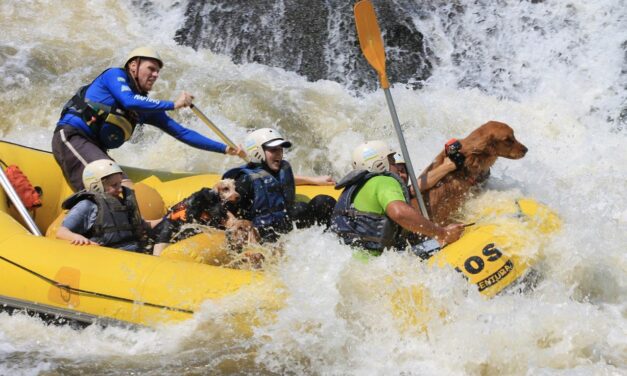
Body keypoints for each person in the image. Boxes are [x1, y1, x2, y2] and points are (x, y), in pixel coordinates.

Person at [52, 46, 244, 191]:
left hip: (95, 149)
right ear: (133, 65)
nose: (155, 75)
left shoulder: (145, 107)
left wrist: (226, 149)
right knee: (109, 185)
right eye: (151, 68)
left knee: (125, 188)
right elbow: (128, 101)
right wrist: (173, 104)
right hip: (72, 137)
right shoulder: (114, 75)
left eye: (158, 72)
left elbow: (182, 133)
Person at [330, 141, 464, 258]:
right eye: (392, 160)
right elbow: (399, 212)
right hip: (375, 262)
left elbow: (415, 188)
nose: (395, 165)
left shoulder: (353, 188)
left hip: (353, 259)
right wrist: (442, 233)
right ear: (379, 164)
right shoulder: (384, 181)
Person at [223, 128, 337, 242]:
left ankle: (336, 240)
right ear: (257, 152)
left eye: (280, 149)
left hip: (286, 224)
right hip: (266, 232)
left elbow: (279, 182)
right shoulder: (245, 181)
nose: (279, 153)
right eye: (273, 149)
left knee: (324, 201)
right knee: (300, 209)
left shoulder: (281, 169)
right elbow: (227, 211)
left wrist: (313, 180)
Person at [56, 159, 159, 252]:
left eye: (120, 183)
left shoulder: (122, 202)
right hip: (110, 256)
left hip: (134, 251)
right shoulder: (87, 205)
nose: (120, 189)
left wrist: (168, 218)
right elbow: (61, 232)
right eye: (114, 185)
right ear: (96, 186)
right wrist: (76, 237)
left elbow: (143, 225)